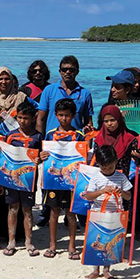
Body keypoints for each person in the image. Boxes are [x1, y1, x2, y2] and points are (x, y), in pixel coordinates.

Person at [41, 98, 87, 258]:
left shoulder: (79, 136)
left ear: (73, 115)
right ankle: (52, 245)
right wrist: (42, 155)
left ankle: (72, 246)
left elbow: (84, 158)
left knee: (70, 213)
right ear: (55, 115)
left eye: (67, 115)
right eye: (60, 115)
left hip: (71, 182)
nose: (64, 118)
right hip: (53, 181)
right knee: (54, 212)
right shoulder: (50, 134)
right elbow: (44, 156)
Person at [81, 144, 133, 279]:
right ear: (98, 164)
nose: (108, 170)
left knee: (110, 241)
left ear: (116, 162)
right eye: (104, 168)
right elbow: (88, 196)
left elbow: (129, 196)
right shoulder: (96, 177)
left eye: (110, 167)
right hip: (98, 213)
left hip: (115, 213)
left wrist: (121, 192)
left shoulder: (121, 177)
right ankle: (95, 269)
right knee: (95, 240)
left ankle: (106, 270)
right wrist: (102, 191)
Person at [93, 104, 140, 231]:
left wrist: (139, 156)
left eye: (113, 120)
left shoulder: (130, 138)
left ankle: (131, 230)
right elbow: (96, 161)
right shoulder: (98, 139)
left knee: (126, 205)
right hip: (104, 179)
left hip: (123, 179)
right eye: (106, 121)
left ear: (119, 120)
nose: (109, 124)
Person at [2, 104, 41, 256]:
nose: (22, 121)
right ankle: (11, 241)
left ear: (33, 118)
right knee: (13, 208)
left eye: (26, 118)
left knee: (27, 210)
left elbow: (42, 156)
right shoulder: (10, 135)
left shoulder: (37, 137)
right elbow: (3, 157)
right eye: (19, 117)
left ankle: (28, 242)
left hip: (29, 180)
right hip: (11, 179)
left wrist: (40, 159)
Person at [36, 55, 93, 137]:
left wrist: (88, 147)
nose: (68, 72)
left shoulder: (85, 93)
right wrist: (40, 142)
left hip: (75, 141)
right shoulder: (49, 90)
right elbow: (40, 119)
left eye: (71, 70)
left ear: (77, 72)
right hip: (52, 140)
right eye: (64, 70)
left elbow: (88, 123)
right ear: (60, 71)